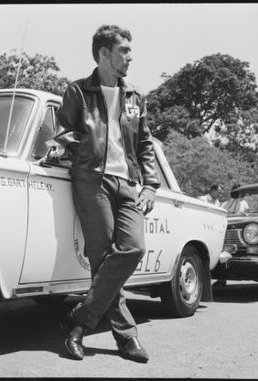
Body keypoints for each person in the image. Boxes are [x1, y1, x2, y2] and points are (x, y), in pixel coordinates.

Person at [53, 25, 160, 363]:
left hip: (127, 183)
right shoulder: (77, 91)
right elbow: (62, 132)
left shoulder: (135, 97)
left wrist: (151, 185)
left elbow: (144, 144)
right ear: (103, 53)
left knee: (134, 247)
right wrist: (84, 150)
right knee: (101, 257)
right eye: (124, 50)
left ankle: (79, 321)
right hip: (92, 180)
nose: (130, 56)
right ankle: (127, 338)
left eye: (129, 50)